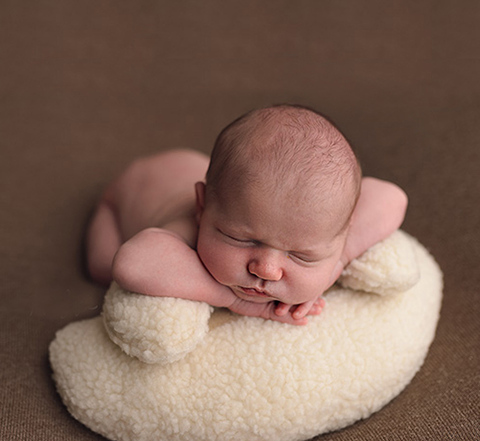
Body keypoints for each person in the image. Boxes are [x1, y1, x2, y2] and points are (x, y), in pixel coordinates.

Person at [86, 104, 408, 325]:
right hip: (123, 197)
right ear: (202, 208)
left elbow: (393, 198)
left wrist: (336, 261)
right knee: (102, 267)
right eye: (242, 239)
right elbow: (132, 263)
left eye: (301, 256)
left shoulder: (319, 225)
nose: (266, 270)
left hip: (209, 178)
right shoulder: (186, 227)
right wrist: (232, 300)